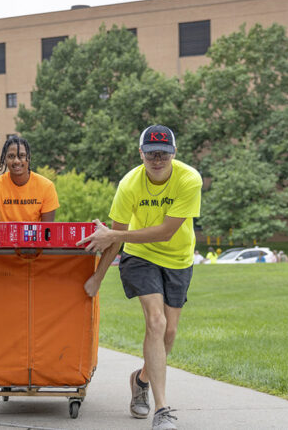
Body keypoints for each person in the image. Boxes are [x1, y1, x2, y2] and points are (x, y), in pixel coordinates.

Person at [77, 124, 202, 430]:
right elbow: (112, 239)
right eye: (150, 154)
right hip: (140, 256)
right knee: (156, 322)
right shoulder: (129, 184)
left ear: (174, 153)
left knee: (169, 333)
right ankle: (162, 411)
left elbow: (166, 231)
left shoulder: (189, 179)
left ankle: (141, 380)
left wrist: (115, 234)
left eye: (163, 153)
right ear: (141, 154)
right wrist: (97, 278)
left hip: (178, 259)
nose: (157, 159)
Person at [0, 135, 59, 222]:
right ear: (5, 159)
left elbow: (47, 229)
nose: (17, 161)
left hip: (33, 235)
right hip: (3, 235)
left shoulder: (46, 186)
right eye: (11, 156)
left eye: (21, 155)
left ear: (28, 158)